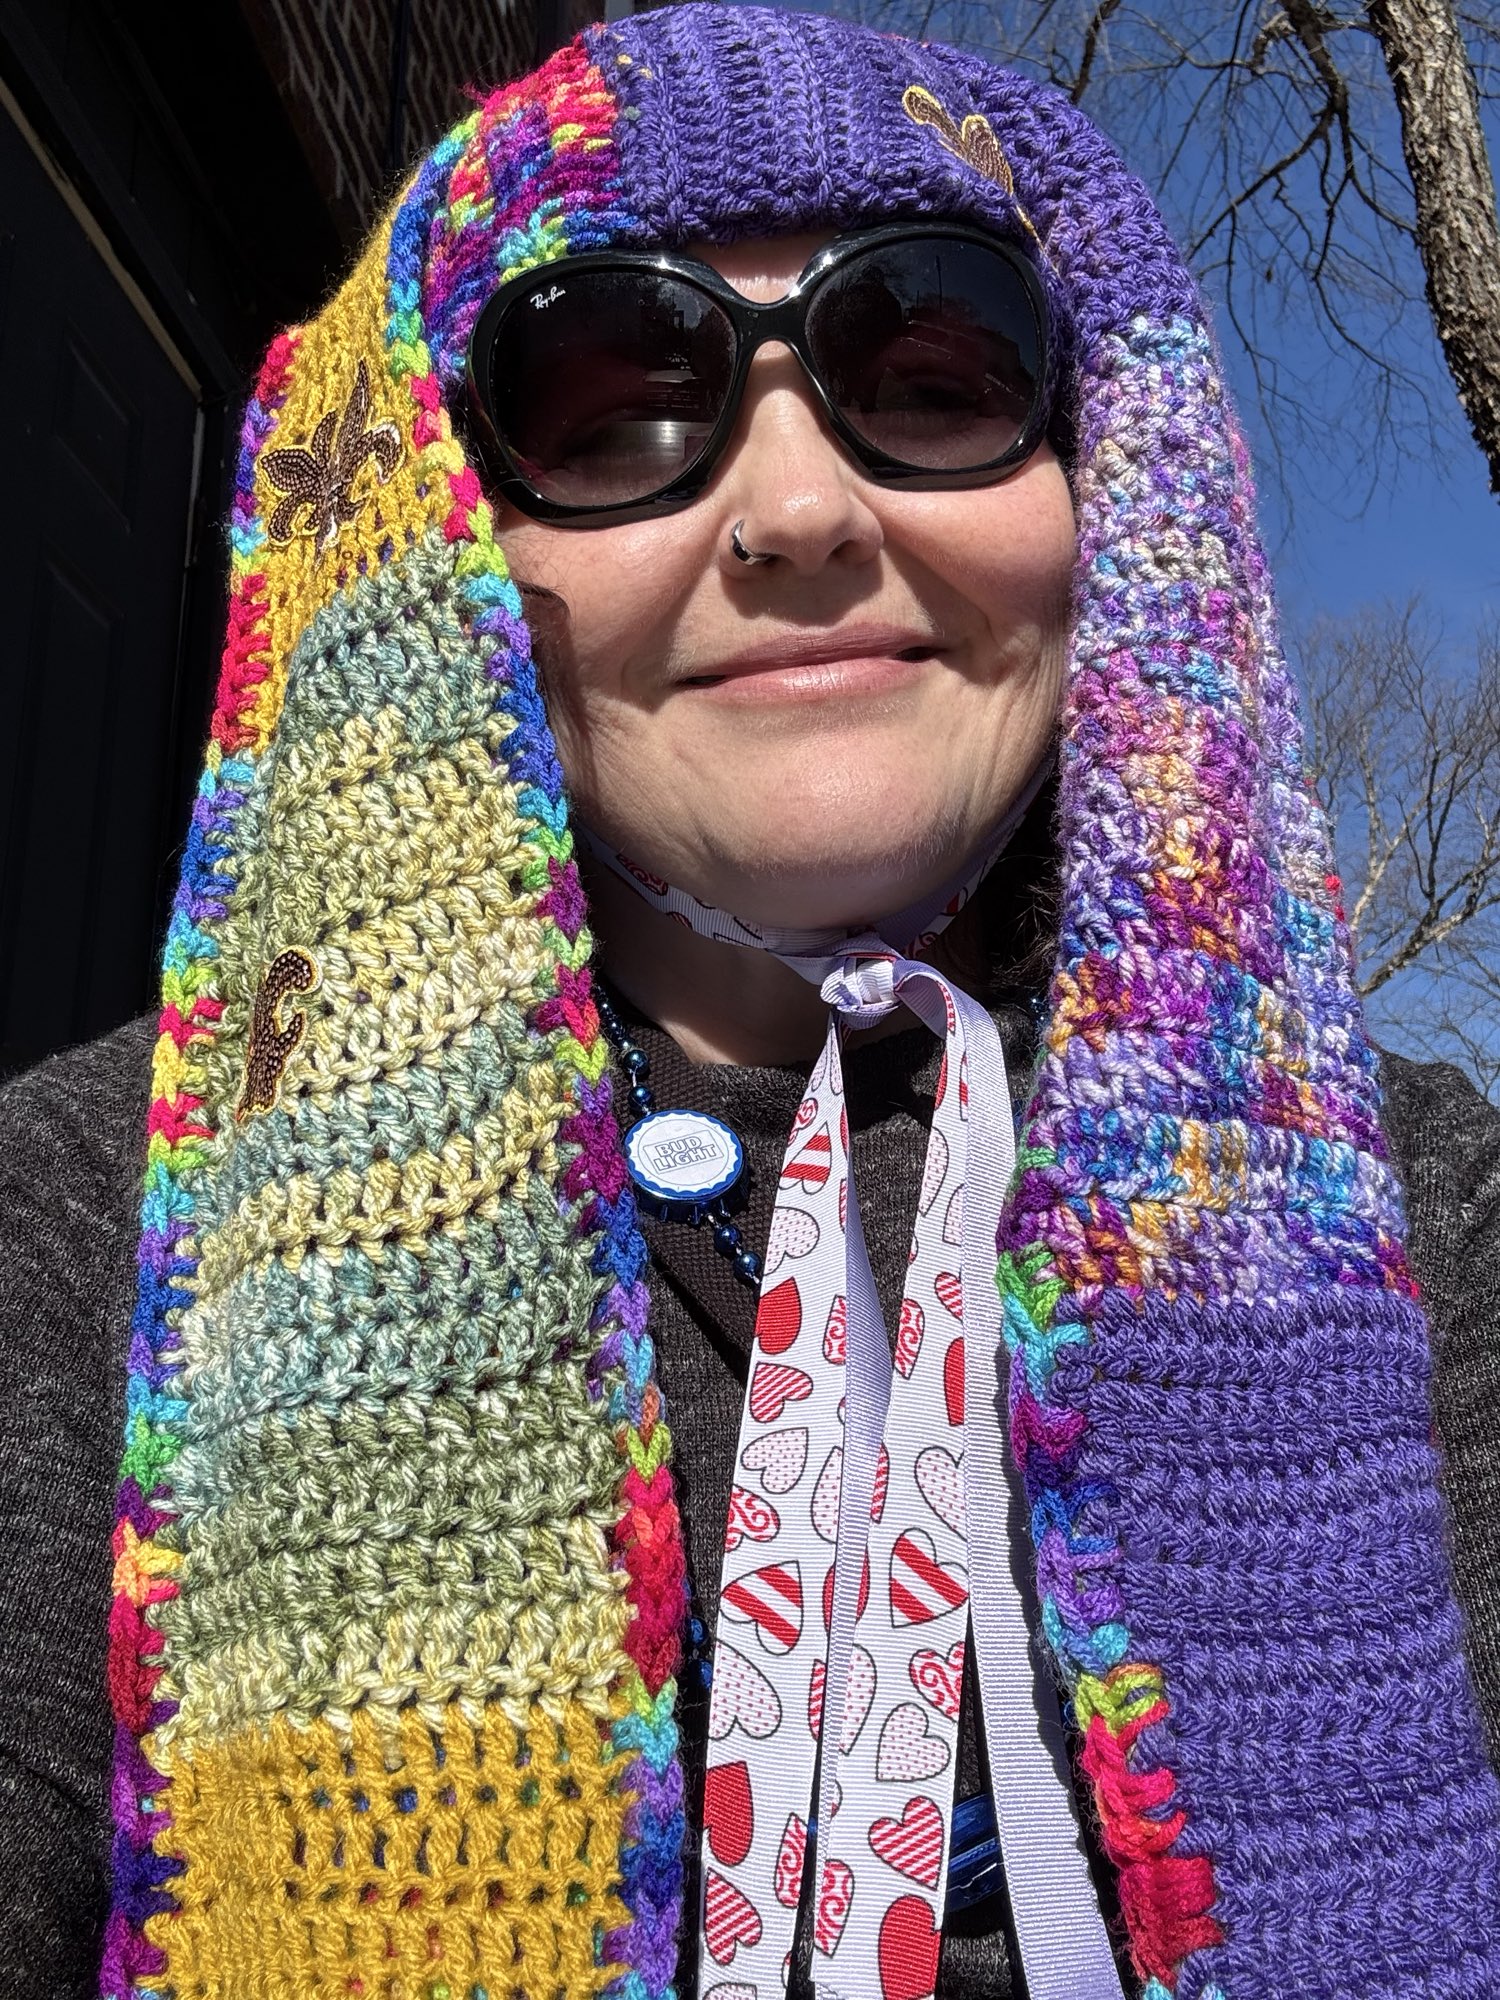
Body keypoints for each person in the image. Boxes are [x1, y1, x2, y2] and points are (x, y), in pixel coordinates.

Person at [0, 6, 1497, 1998]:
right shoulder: (86, 1234)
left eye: (936, 378)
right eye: (613, 408)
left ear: (1116, 490)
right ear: (442, 540)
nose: (799, 510)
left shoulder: (1432, 1222)